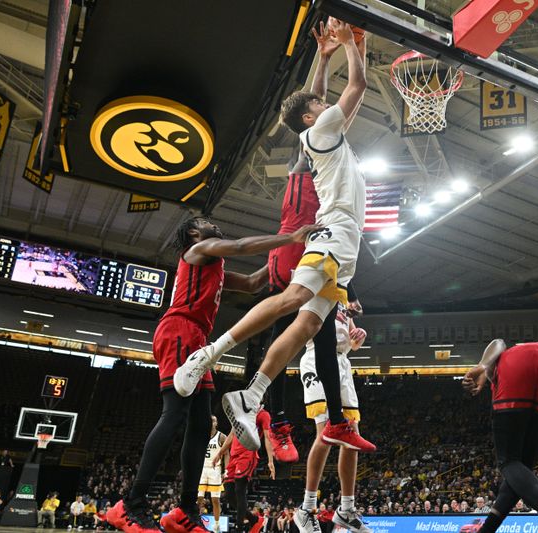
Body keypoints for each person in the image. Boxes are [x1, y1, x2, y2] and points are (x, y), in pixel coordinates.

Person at [174, 19, 371, 456]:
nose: (324, 107)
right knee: (293, 303)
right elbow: (346, 91)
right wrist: (352, 46)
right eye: (317, 107)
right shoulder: (316, 136)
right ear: (308, 119)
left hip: (341, 239)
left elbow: (312, 102)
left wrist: (325, 56)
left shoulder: (320, 134)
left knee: (308, 324)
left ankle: (255, 396)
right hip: (317, 233)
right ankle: (209, 356)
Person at [106, 217, 318, 533]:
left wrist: (288, 264)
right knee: (174, 415)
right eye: (206, 223)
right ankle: (131, 504)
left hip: (198, 340)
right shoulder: (199, 250)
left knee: (202, 424)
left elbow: (252, 282)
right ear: (193, 234)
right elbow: (240, 246)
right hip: (179, 330)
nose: (214, 226)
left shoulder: (213, 268)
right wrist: (290, 237)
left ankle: (185, 510)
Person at [461, 339, 538, 533]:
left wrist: (482, 366)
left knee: (507, 462)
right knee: (519, 472)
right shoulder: (531, 424)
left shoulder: (500, 366)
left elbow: (498, 342)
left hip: (522, 364)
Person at [293, 300, 369, 533]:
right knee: (326, 431)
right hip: (318, 357)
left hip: (342, 363)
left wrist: (359, 335)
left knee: (352, 435)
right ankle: (306, 507)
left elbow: (353, 342)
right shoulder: (318, 286)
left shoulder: (345, 299)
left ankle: (347, 508)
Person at [215, 407, 275, 533]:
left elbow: (267, 437)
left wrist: (270, 460)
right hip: (234, 456)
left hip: (248, 454)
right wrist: (219, 453)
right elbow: (232, 434)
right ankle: (253, 519)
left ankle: (239, 528)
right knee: (229, 494)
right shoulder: (239, 412)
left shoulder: (263, 415)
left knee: (239, 490)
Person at [198, 416, 226, 533]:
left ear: (216, 423)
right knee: (199, 498)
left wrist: (227, 470)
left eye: (214, 420)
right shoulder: (200, 435)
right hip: (202, 469)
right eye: (210, 420)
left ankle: (217, 524)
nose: (211, 422)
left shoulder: (221, 436)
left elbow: (227, 453)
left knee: (215, 499)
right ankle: (198, 520)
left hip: (215, 469)